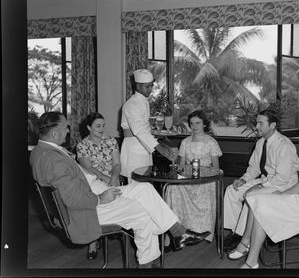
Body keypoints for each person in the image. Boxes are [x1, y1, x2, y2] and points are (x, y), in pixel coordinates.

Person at [30, 111, 210, 268]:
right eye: (65, 127)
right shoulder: (53, 159)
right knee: (144, 211)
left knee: (145, 189)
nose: (68, 130)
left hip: (91, 193)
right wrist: (101, 198)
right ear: (54, 133)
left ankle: (177, 231)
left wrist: (102, 186)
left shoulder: (40, 152)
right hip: (85, 211)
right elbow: (73, 199)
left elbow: (73, 185)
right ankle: (155, 258)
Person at [228, 108, 299, 268]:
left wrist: (283, 193)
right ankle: (248, 251)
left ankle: (249, 255)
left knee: (262, 203)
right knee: (256, 198)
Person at [223, 108, 299, 253]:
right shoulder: (261, 143)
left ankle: (243, 237)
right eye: (256, 123)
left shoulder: (283, 144)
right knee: (231, 190)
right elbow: (254, 168)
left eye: (260, 123)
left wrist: (259, 186)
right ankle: (235, 233)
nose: (257, 127)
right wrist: (243, 180)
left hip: (284, 184)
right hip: (267, 179)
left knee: (252, 196)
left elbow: (282, 177)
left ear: (272, 125)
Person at [165, 110, 223, 242]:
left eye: (198, 123)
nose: (195, 126)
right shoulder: (185, 142)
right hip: (189, 178)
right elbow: (181, 166)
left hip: (206, 180)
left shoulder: (211, 142)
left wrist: (203, 172)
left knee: (204, 189)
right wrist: (175, 163)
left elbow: (216, 168)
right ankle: (175, 231)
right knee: (171, 188)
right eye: (192, 123)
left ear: (204, 124)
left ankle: (200, 230)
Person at [76, 112, 121, 260]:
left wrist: (114, 177)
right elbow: (88, 168)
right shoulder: (82, 145)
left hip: (111, 179)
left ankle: (114, 228)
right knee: (95, 204)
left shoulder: (111, 141)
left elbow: (116, 164)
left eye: (103, 125)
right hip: (93, 182)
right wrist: (106, 179)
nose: (101, 129)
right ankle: (93, 241)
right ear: (89, 127)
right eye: (98, 126)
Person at [120, 69, 178, 181]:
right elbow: (139, 130)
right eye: (147, 87)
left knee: (145, 186)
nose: (151, 89)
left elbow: (145, 127)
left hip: (143, 149)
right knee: (136, 188)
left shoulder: (143, 101)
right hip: (134, 151)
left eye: (151, 86)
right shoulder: (132, 104)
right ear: (138, 86)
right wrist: (160, 148)